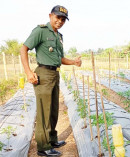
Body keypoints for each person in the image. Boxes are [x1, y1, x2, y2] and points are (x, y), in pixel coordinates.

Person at [20, 5, 82, 156]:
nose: (60, 21)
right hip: (43, 74)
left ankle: (52, 139)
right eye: (57, 17)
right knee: (44, 112)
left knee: (53, 109)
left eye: (63, 19)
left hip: (55, 74)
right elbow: (24, 48)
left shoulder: (59, 36)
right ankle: (43, 147)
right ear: (50, 16)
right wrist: (28, 72)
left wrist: (74, 62)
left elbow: (60, 58)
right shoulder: (40, 31)